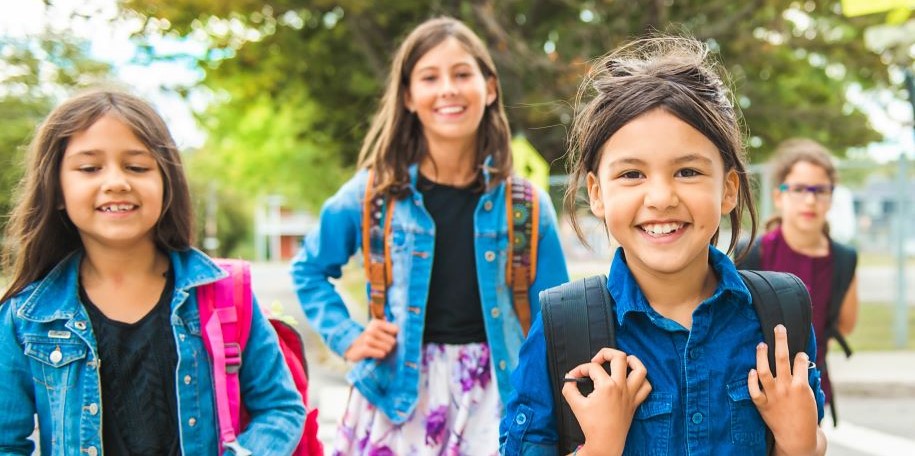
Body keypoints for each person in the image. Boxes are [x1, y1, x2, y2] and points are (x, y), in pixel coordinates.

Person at [500, 37, 827, 455]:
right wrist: (600, 445)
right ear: (597, 194)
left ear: (728, 190)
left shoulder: (779, 314)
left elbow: (808, 440)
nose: (660, 197)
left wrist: (801, 443)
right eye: (632, 174)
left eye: (687, 171)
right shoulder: (563, 325)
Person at [290, 16, 569, 455]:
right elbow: (308, 269)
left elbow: (556, 320)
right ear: (408, 96)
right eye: (429, 77)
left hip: (496, 393)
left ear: (489, 87)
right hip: (396, 393)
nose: (448, 90)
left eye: (462, 74)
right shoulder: (374, 193)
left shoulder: (527, 206)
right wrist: (347, 335)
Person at [0, 90, 305, 455]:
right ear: (58, 190)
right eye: (89, 168)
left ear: (166, 184)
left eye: (137, 166)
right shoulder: (26, 318)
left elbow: (280, 409)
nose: (116, 182)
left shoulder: (222, 294)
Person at [736, 138, 859, 424]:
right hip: (751, 393)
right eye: (799, 189)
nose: (810, 200)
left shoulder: (843, 259)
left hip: (812, 391)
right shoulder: (752, 254)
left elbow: (845, 324)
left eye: (820, 190)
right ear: (779, 196)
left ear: (831, 196)